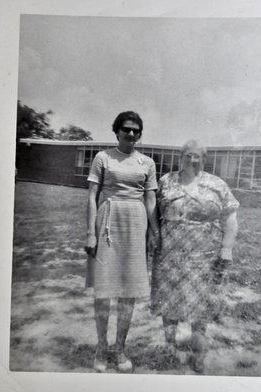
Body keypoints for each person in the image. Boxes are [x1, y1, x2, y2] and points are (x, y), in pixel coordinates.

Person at [151, 140, 239, 374]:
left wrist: (226, 248)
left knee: (200, 302)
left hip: (205, 253)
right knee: (168, 297)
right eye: (188, 155)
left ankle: (199, 352)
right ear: (181, 157)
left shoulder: (216, 184)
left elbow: (230, 218)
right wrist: (154, 236)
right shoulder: (166, 181)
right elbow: (152, 212)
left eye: (197, 156)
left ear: (204, 159)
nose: (193, 160)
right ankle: (170, 347)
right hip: (170, 250)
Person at [85, 111, 159, 373]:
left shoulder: (147, 163)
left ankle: (120, 348)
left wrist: (153, 232)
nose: (131, 134)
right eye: (126, 129)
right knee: (104, 291)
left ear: (140, 134)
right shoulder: (102, 158)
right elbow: (92, 196)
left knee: (129, 291)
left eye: (136, 130)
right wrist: (90, 233)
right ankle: (101, 348)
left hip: (136, 225)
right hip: (107, 222)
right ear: (116, 131)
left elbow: (150, 200)